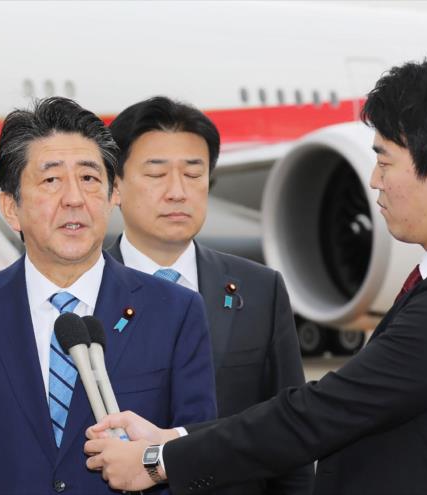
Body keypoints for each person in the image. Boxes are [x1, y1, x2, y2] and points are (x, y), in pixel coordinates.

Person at [84, 56, 427, 494]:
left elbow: (322, 412)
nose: (374, 180)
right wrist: (173, 440)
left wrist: (160, 458)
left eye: (385, 163)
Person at [0, 96, 216, 494]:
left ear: (113, 195)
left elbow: (196, 457)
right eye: (51, 180)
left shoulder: (174, 311)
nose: (74, 198)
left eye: (90, 179)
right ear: (11, 208)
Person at [106, 96, 312, 494]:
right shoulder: (83, 294)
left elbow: (291, 432)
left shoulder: (260, 290)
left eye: (193, 173)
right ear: (116, 187)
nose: (177, 192)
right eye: (156, 174)